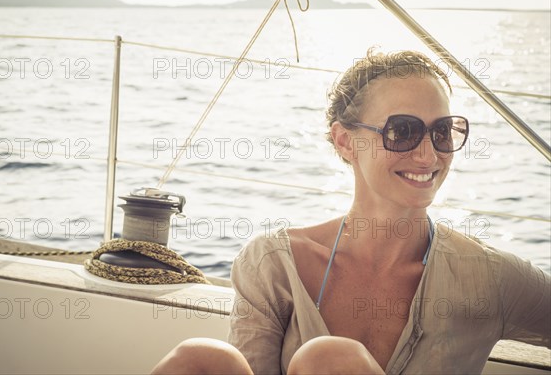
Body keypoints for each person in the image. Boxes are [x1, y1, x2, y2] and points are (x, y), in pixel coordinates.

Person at [151, 49, 550, 374]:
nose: (428, 154)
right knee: (202, 358)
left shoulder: (488, 276)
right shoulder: (275, 264)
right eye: (403, 131)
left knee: (328, 359)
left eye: (443, 131)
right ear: (345, 141)